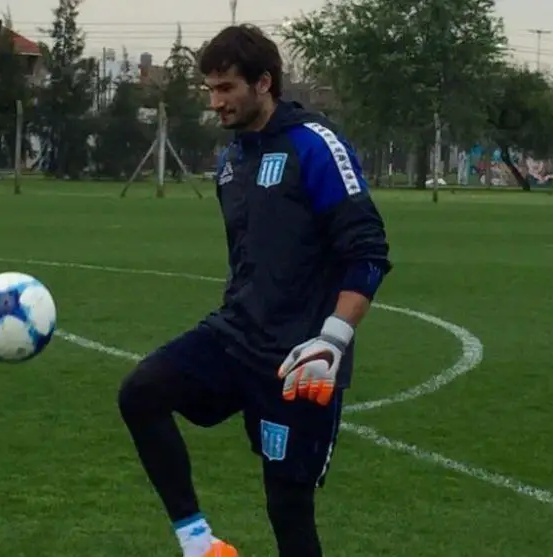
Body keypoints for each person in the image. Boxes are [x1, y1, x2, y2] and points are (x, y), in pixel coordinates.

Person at [117, 23, 391, 557]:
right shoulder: (232, 162)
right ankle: (199, 544)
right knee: (141, 392)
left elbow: (368, 254)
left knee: (287, 510)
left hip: (299, 362)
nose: (215, 103)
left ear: (263, 83)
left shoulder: (315, 146)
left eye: (226, 90)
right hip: (235, 336)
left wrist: (331, 343)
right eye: (210, 91)